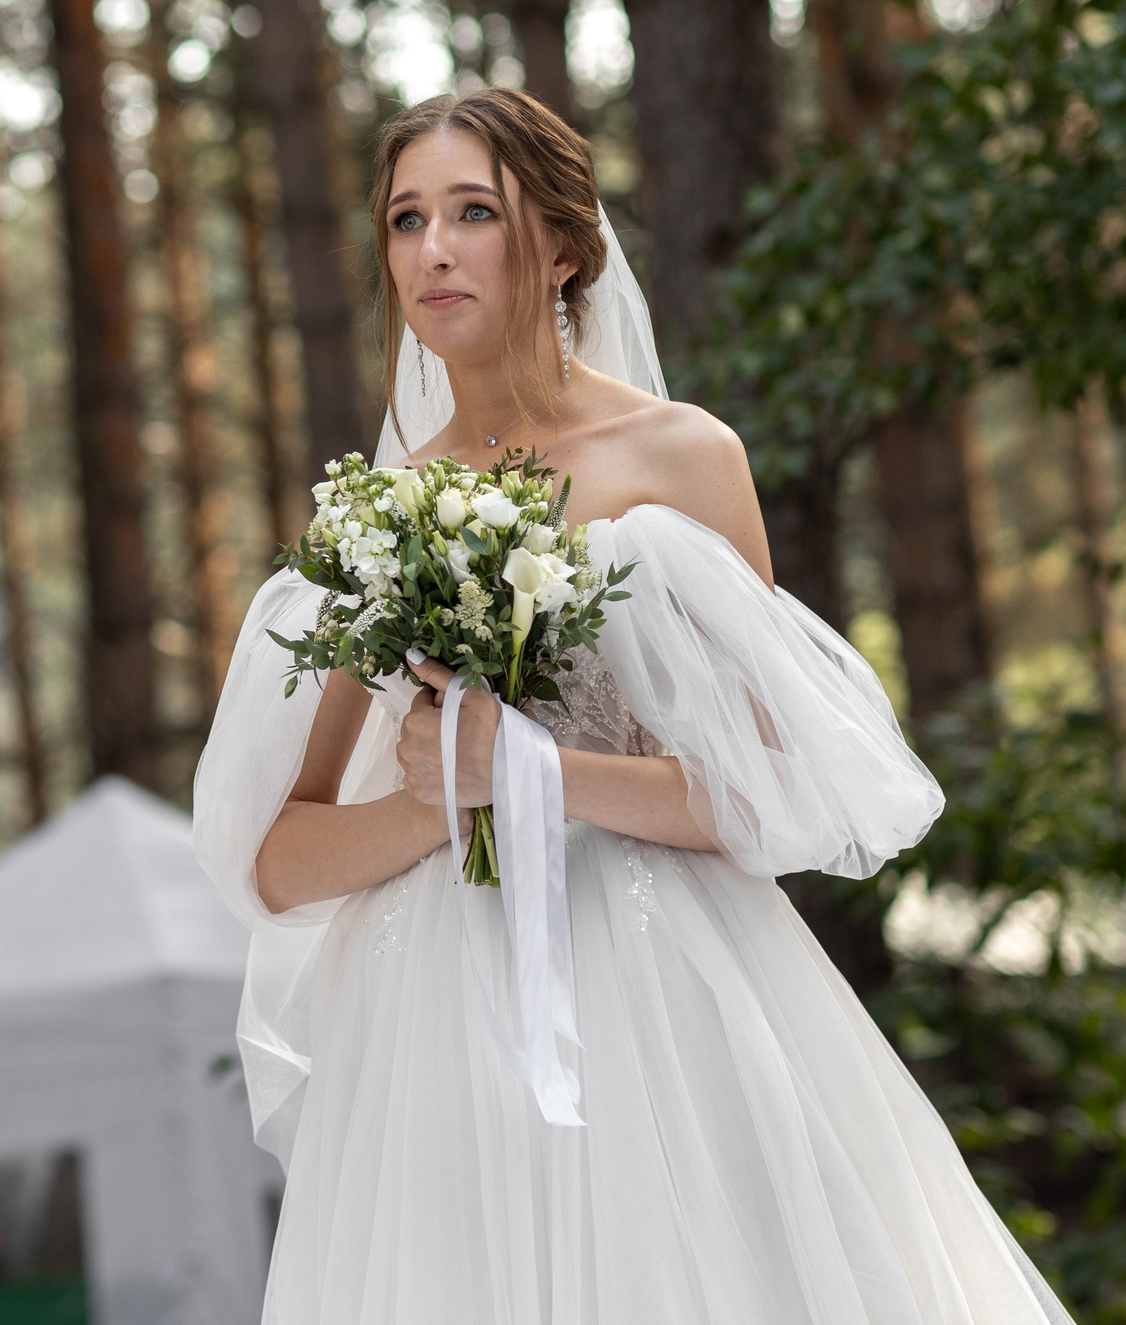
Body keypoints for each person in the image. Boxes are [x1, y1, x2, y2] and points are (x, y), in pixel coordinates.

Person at [193, 87, 1073, 1323]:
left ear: (561, 243)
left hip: (668, 1005)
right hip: (432, 1048)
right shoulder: (372, 522)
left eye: (471, 213)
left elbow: (770, 793)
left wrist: (534, 771)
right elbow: (275, 864)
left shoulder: (682, 459)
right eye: (404, 221)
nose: (431, 251)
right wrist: (432, 800)